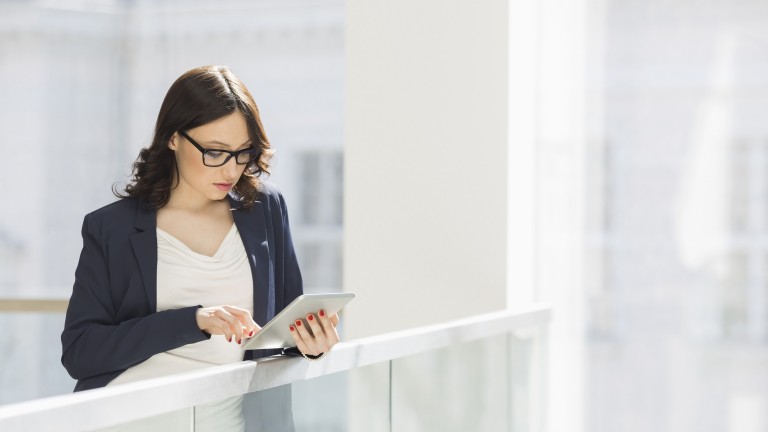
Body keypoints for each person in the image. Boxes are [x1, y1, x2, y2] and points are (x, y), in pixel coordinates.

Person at [60, 65, 339, 430]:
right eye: (215, 152)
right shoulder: (112, 228)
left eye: (243, 153)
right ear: (174, 138)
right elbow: (81, 353)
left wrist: (311, 343)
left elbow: (279, 334)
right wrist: (192, 321)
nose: (230, 169)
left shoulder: (265, 211)